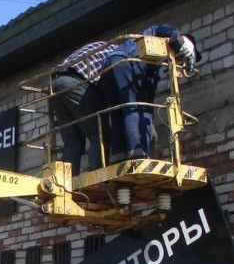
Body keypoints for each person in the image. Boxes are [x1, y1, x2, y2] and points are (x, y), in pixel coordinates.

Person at [98, 24, 199, 162]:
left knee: (118, 113)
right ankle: (137, 154)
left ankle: (118, 156)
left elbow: (147, 100)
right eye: (182, 57)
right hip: (127, 61)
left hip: (110, 66)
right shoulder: (161, 38)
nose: (181, 61)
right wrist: (178, 36)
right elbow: (161, 28)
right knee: (133, 108)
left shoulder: (157, 62)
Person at [49, 41, 117, 174]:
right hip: (75, 81)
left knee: (72, 142)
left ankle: (67, 184)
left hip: (54, 83)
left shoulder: (105, 46)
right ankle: (98, 177)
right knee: (99, 132)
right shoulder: (121, 55)